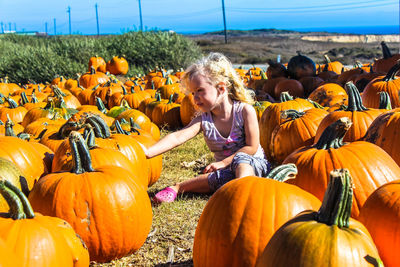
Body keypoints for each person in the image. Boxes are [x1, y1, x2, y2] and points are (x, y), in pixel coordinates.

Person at [141, 52, 271, 203]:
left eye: (200, 91)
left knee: (241, 160)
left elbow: (251, 147)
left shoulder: (244, 111)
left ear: (221, 89)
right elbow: (178, 136)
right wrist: (148, 152)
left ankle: (243, 193)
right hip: (225, 171)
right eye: (193, 92)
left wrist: (222, 163)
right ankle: (178, 187)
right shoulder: (204, 120)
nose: (194, 98)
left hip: (254, 165)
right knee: (214, 179)